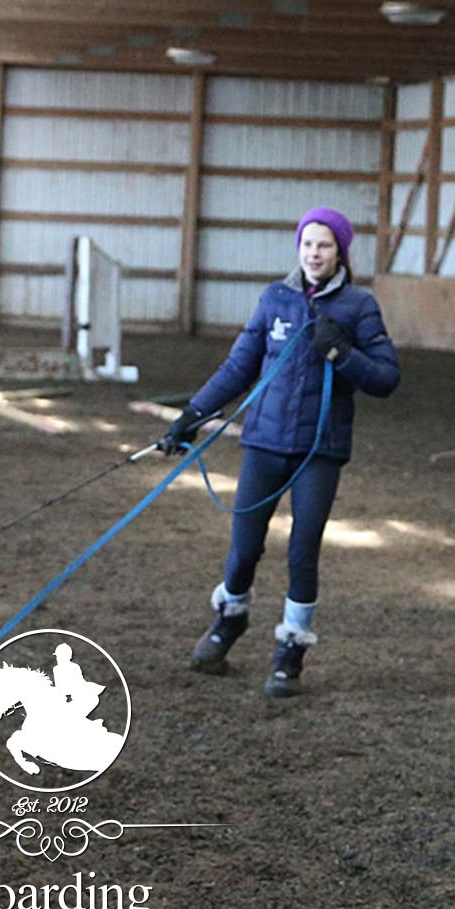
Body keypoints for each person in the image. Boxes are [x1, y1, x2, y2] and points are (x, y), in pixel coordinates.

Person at [158, 207, 399, 697]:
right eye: (308, 244)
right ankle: (229, 620)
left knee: (302, 551)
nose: (315, 253)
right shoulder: (275, 299)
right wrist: (191, 416)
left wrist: (341, 353)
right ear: (299, 248)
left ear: (341, 254)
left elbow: (386, 378)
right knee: (244, 547)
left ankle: (290, 652)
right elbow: (237, 368)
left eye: (325, 245)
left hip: (319, 450)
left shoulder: (358, 306)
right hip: (264, 443)